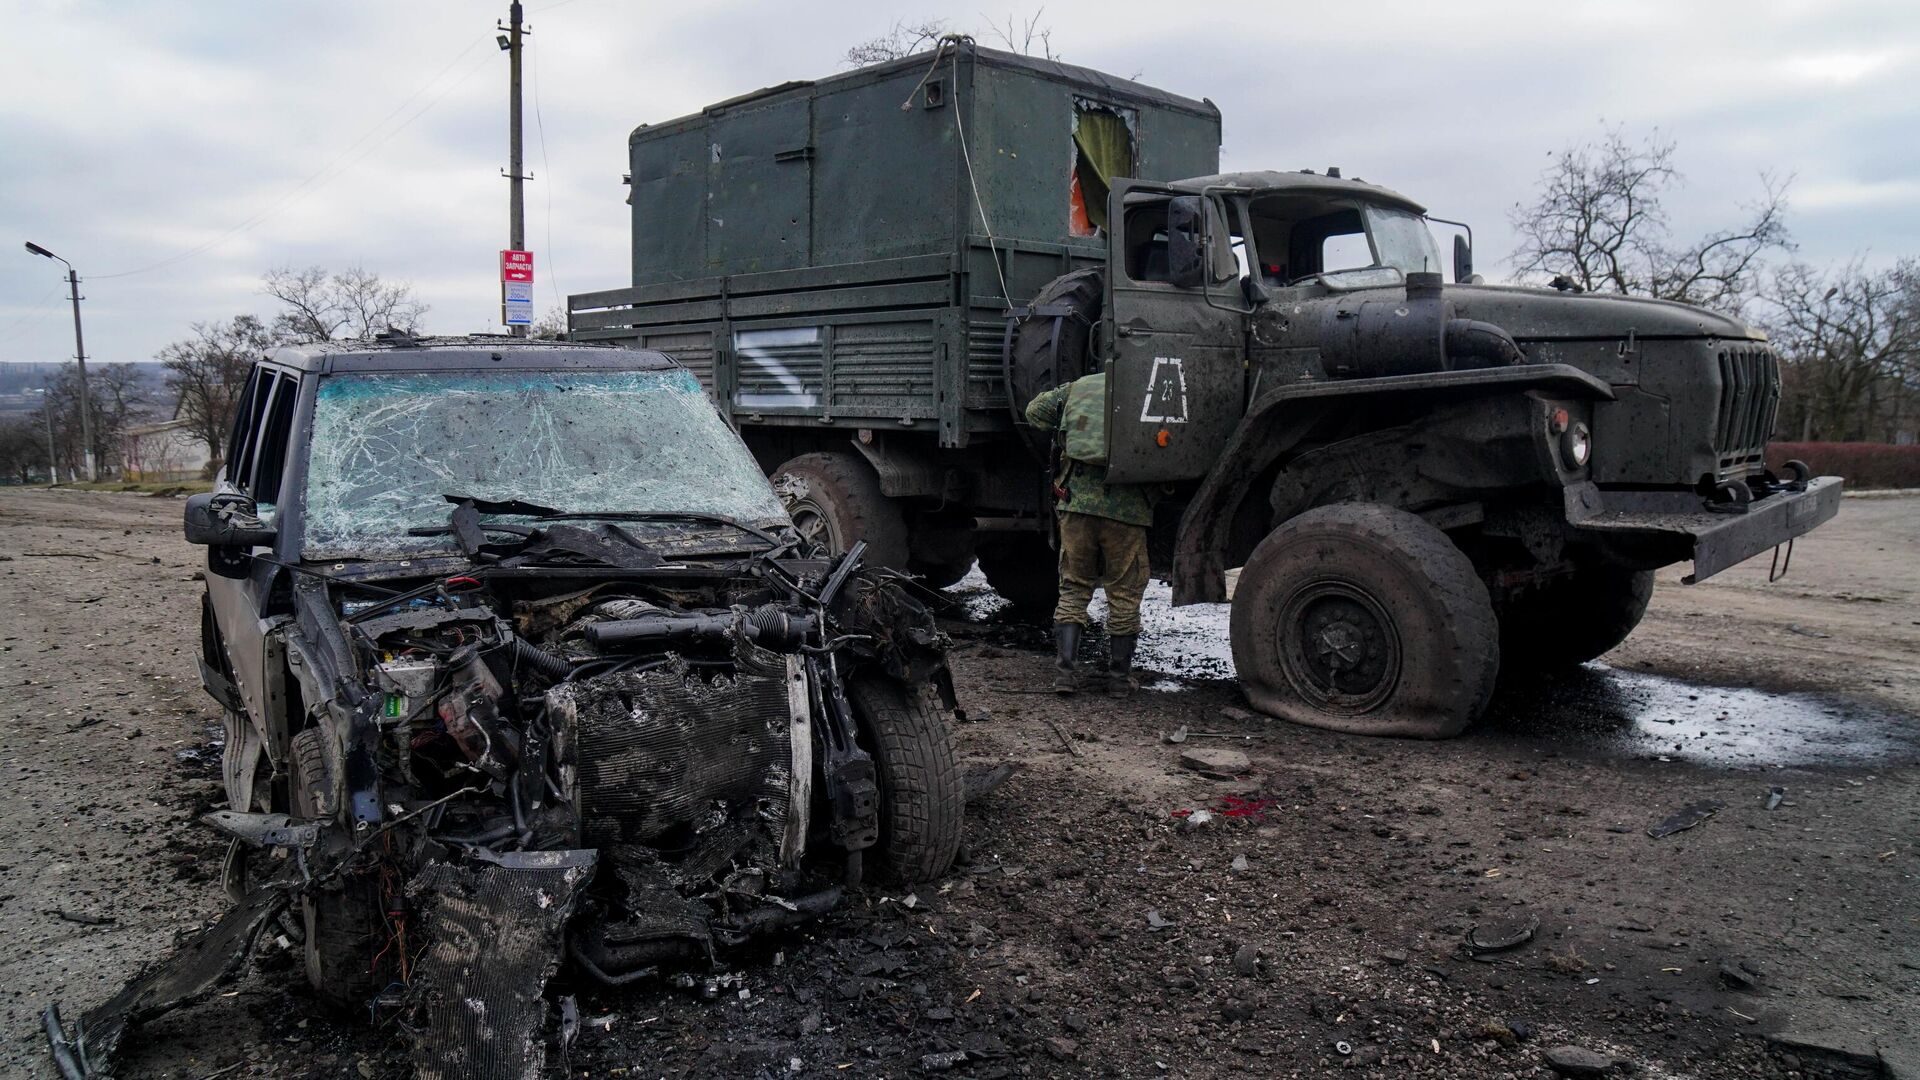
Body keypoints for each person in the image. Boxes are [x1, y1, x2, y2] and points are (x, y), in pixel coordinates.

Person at [1024, 371, 1155, 695]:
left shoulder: (1077, 388)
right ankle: (1119, 681)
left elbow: (1034, 412)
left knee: (1074, 587)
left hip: (1077, 505)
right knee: (1124, 593)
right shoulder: (1146, 390)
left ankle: (1065, 676)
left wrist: (1068, 417)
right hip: (1126, 510)